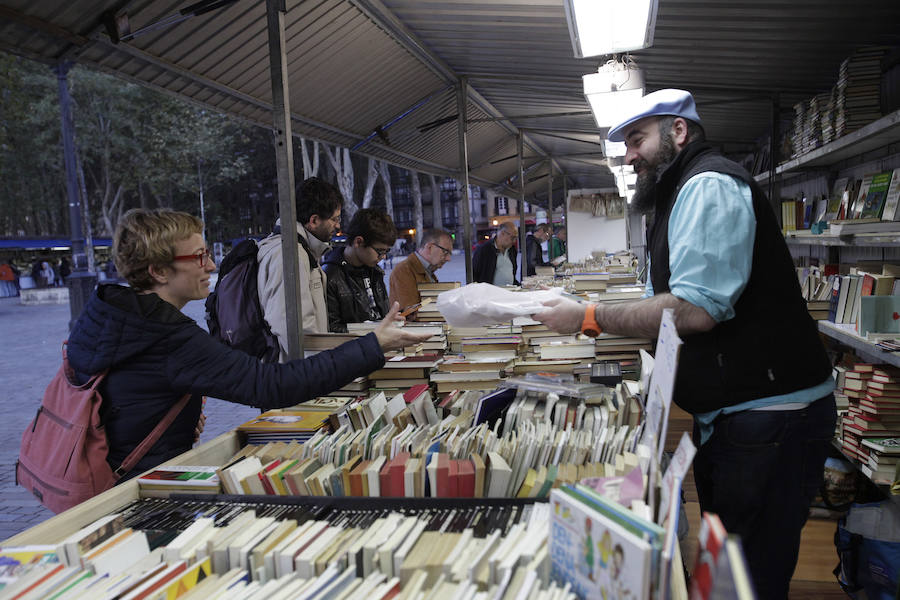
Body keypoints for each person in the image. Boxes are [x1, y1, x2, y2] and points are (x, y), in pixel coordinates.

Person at [534, 89, 835, 599]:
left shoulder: (708, 186)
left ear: (678, 132)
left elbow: (695, 310)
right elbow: (667, 295)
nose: (629, 156)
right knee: (727, 559)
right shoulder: (676, 192)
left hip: (772, 414)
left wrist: (588, 316)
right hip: (740, 411)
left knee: (748, 572)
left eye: (637, 139)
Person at [65, 209, 430, 479]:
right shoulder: (166, 336)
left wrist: (167, 412)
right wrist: (373, 345)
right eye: (198, 257)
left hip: (117, 470)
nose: (210, 266)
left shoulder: (111, 312)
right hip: (140, 484)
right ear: (159, 272)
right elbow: (272, 384)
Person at [258, 177, 341, 362]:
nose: (338, 226)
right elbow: (295, 329)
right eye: (334, 219)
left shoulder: (298, 250)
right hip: (295, 376)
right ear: (313, 221)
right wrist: (321, 371)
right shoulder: (290, 255)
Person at [321, 208, 395, 332]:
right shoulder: (331, 276)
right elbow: (332, 329)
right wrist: (370, 330)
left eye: (386, 251)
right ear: (358, 242)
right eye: (380, 251)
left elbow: (379, 315)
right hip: (358, 347)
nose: (383, 257)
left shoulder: (375, 271)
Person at [388, 228, 453, 319]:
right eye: (445, 252)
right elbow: (408, 314)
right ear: (430, 247)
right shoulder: (404, 270)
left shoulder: (428, 270)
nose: (448, 259)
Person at [472, 222, 518, 286]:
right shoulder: (484, 250)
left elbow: (512, 273)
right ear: (502, 233)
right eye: (513, 237)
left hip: (509, 292)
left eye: (516, 238)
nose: (514, 241)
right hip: (490, 294)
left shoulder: (512, 250)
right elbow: (474, 275)